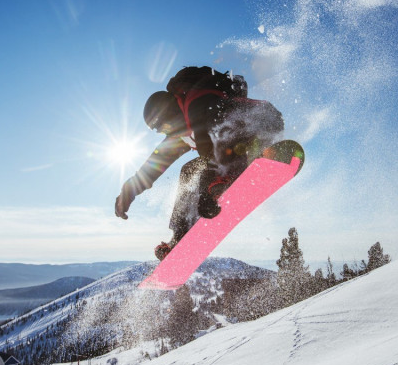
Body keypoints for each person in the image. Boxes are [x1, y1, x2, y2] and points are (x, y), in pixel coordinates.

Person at [114, 66, 284, 260]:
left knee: (214, 155)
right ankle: (179, 236)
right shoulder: (183, 132)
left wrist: (213, 182)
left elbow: (211, 134)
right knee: (188, 172)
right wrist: (128, 191)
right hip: (238, 145)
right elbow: (154, 165)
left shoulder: (198, 101)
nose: (167, 133)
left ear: (169, 113)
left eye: (164, 127)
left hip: (263, 122)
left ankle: (243, 167)